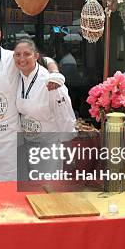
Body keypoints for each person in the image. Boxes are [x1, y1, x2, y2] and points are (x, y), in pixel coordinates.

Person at [0, 18, 66, 181]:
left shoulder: (13, 57)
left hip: (10, 135)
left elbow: (45, 60)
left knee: (14, 180)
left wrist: (54, 72)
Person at [14, 38, 76, 178]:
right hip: (27, 142)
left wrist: (66, 145)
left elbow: (65, 115)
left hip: (48, 145)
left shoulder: (50, 82)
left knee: (46, 187)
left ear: (36, 56)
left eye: (27, 54)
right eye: (17, 54)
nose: (22, 58)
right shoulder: (17, 77)